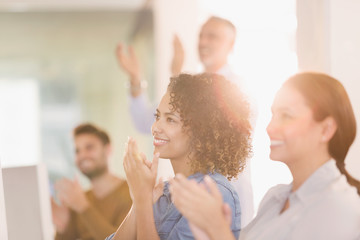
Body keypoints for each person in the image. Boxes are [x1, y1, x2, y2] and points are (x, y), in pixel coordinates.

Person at [169, 72, 360, 240]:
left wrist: (218, 230)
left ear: (326, 129)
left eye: (286, 116)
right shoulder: (275, 198)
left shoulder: (340, 208)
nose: (270, 128)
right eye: (273, 115)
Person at [116, 16, 255, 227]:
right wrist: (137, 78)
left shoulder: (237, 91)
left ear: (231, 45)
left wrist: (178, 78)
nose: (203, 42)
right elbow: (145, 121)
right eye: (201, 35)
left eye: (213, 36)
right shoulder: (191, 86)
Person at [106, 73, 252, 240]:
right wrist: (140, 202)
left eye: (170, 120)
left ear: (201, 133)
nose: (155, 128)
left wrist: (142, 201)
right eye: (157, 116)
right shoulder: (163, 192)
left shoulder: (214, 192)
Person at [51, 123, 132, 240]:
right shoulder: (80, 198)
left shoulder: (131, 193)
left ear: (108, 149)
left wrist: (83, 207)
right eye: (77, 151)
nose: (82, 155)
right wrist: (63, 227)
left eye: (89, 147)